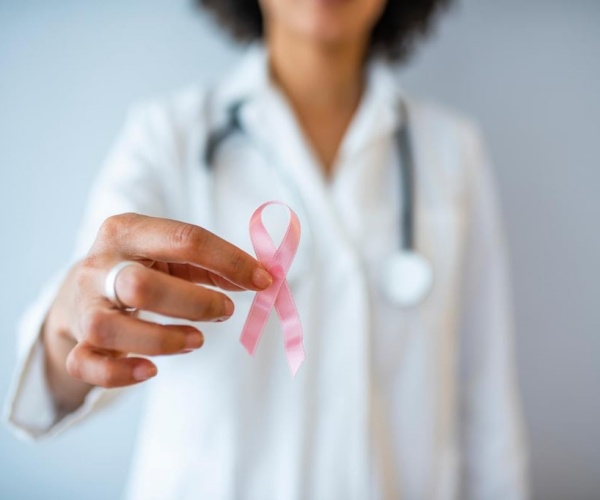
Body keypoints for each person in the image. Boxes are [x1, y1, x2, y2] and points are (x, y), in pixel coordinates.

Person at [4, 0, 529, 498]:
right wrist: (71, 326)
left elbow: (487, 404)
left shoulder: (454, 151)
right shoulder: (168, 135)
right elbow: (85, 318)